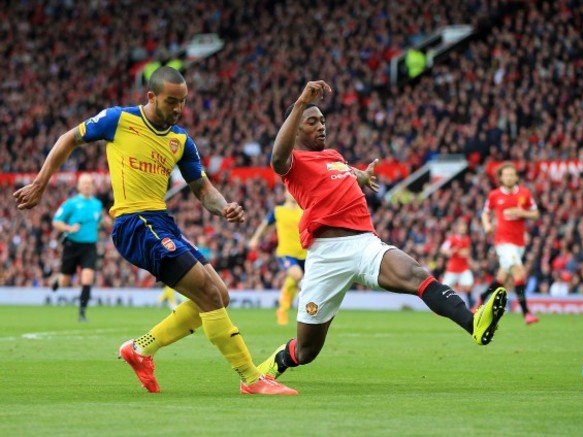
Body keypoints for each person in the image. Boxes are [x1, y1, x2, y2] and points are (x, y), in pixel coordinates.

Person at [14, 66, 297, 396]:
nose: (177, 109)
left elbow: (203, 188)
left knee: (220, 295)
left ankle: (140, 348)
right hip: (134, 222)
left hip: (162, 222)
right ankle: (251, 378)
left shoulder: (181, 141)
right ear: (151, 97)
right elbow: (69, 138)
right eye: (171, 101)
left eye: (183, 102)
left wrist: (224, 208)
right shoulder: (118, 120)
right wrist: (40, 183)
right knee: (208, 295)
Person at [256, 80, 508, 383]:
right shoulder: (293, 162)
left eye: (323, 120)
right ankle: (279, 361)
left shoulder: (333, 155)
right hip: (327, 255)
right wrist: (300, 103)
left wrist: (361, 176)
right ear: (295, 128)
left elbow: (341, 174)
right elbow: (276, 159)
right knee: (307, 350)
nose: (322, 126)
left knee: (415, 273)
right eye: (312, 122)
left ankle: (474, 323)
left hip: (364, 243)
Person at [479, 162, 540, 325]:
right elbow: (485, 212)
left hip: (519, 243)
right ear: (501, 178)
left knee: (502, 276)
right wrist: (486, 225)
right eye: (506, 175)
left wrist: (522, 213)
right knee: (519, 272)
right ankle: (526, 313)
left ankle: (480, 299)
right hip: (503, 242)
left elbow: (536, 214)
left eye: (512, 175)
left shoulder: (525, 194)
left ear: (516, 177)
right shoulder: (494, 195)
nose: (509, 177)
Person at [50, 173, 104, 322]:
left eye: (89, 183)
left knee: (87, 277)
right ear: (79, 186)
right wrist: (68, 228)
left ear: (93, 186)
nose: (87, 186)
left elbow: (99, 221)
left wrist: (106, 222)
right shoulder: (70, 204)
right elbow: (56, 221)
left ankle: (82, 313)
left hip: (89, 246)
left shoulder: (97, 204)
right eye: (84, 183)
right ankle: (58, 280)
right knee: (65, 281)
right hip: (72, 245)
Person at [249, 189, 306, 325]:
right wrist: (255, 238)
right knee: (297, 276)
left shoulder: (304, 210)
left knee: (294, 280)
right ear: (285, 194)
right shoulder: (278, 211)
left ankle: (282, 309)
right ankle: (301, 308)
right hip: (286, 253)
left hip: (306, 253)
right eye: (289, 191)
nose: (292, 193)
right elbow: (264, 225)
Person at [440, 219, 474, 309]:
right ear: (458, 228)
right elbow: (443, 250)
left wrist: (459, 252)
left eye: (465, 227)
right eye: (462, 227)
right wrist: (451, 251)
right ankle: (440, 308)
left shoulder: (467, 239)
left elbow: (467, 252)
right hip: (453, 269)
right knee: (444, 289)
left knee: (469, 285)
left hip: (463, 268)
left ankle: (471, 307)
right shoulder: (452, 239)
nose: (464, 229)